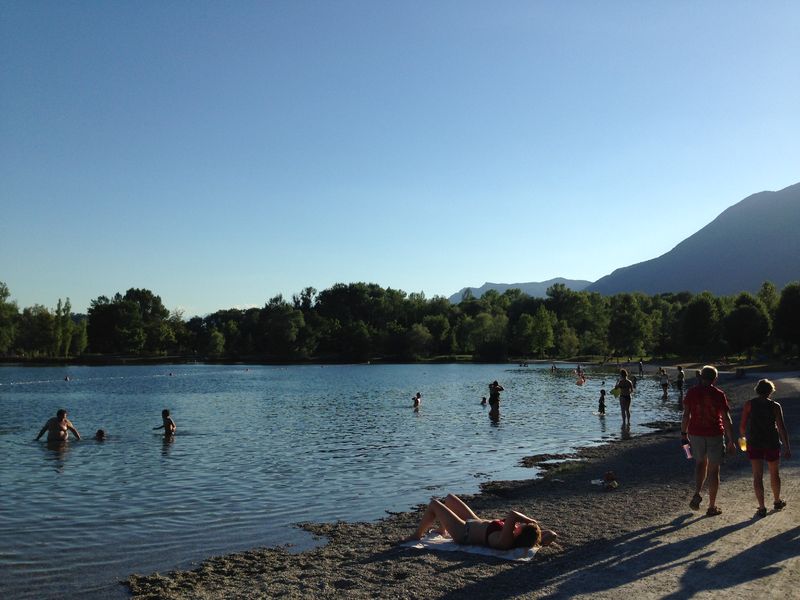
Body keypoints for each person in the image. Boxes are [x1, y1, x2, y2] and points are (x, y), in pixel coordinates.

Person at [407, 493, 557, 550]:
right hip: (474, 522)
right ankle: (442, 529)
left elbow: (512, 514)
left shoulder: (506, 540)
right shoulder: (521, 536)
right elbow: (551, 534)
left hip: (463, 532)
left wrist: (531, 520)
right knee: (449, 499)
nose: (521, 524)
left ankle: (417, 534)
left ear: (520, 532)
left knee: (434, 504)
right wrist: (538, 534)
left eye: (522, 526)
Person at [681, 365, 736, 516]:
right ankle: (712, 506)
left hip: (696, 433)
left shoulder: (692, 392)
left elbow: (686, 415)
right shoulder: (718, 394)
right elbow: (726, 418)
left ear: (700, 377)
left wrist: (683, 434)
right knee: (714, 470)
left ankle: (697, 492)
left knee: (700, 463)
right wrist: (731, 439)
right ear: (715, 379)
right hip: (714, 434)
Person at [739, 379, 791, 517]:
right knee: (774, 473)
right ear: (770, 391)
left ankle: (762, 507)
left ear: (757, 390)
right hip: (772, 443)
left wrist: (743, 437)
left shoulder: (749, 404)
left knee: (757, 476)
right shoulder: (775, 406)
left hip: (754, 443)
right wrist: (786, 446)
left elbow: (742, 426)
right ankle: (777, 500)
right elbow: (781, 427)